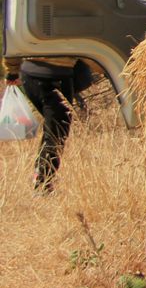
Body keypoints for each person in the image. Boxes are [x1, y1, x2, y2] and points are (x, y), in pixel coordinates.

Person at [12, 59, 93, 191]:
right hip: (56, 76)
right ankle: (42, 182)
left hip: (28, 74)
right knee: (57, 132)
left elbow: (13, 44)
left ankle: (41, 175)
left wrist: (12, 71)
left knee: (53, 129)